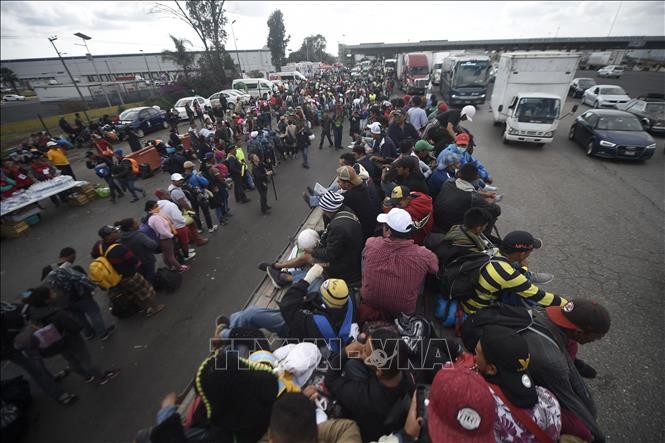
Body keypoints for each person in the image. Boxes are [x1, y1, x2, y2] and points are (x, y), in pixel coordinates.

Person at [462, 299, 611, 442]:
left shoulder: (544, 314)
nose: (595, 341)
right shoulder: (552, 363)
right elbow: (568, 398)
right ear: (579, 332)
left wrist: (577, 366)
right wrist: (596, 434)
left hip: (508, 347)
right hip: (514, 369)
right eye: (596, 338)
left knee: (571, 347)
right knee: (581, 429)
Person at [218, 266, 356, 354]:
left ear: (325, 300)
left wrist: (307, 280)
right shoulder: (347, 297)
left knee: (251, 313)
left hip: (298, 329)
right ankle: (232, 326)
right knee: (311, 278)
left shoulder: (318, 324)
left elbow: (287, 305)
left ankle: (226, 337)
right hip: (314, 318)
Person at [319, 329, 415, 442]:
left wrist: (346, 351)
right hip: (391, 411)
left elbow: (331, 380)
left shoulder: (363, 397)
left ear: (379, 371)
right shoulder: (403, 371)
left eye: (365, 350)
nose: (361, 348)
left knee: (350, 364)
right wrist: (366, 356)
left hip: (368, 428)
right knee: (352, 365)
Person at [474, 325, 562, 442]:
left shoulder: (482, 405)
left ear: (491, 369)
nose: (474, 357)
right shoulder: (550, 400)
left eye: (477, 353)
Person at [20, 286, 120, 386]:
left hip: (53, 342)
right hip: (70, 339)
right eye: (51, 292)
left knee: (71, 360)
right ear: (46, 299)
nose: (54, 292)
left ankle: (87, 376)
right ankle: (101, 376)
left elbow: (25, 295)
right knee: (86, 359)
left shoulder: (32, 313)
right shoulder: (56, 313)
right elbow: (74, 327)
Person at [461, 231, 567, 315]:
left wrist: (524, 269)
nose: (531, 253)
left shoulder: (494, 252)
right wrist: (567, 304)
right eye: (530, 251)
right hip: (476, 312)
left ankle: (527, 277)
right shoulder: (507, 274)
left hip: (469, 300)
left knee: (517, 271)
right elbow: (539, 296)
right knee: (526, 304)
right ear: (522, 255)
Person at [360, 208, 438, 319]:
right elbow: (435, 268)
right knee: (424, 270)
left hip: (370, 300)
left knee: (364, 255)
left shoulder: (371, 243)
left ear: (388, 231)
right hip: (404, 309)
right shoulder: (423, 255)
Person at [1, 301, 78, 406]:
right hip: (8, 347)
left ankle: (51, 380)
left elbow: (16, 307)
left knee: (37, 363)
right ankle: (59, 395)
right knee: (34, 369)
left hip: (20, 336)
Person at [40, 247, 115, 341]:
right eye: (73, 257)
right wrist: (95, 289)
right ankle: (102, 333)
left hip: (64, 301)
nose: (73, 259)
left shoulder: (48, 270)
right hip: (82, 298)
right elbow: (85, 280)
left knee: (79, 317)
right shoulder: (75, 269)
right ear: (69, 256)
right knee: (94, 313)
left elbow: (44, 285)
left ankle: (88, 334)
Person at [91, 226, 165, 317]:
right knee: (145, 291)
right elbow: (133, 260)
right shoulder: (119, 248)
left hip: (116, 277)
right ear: (108, 237)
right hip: (129, 275)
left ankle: (144, 308)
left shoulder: (98, 245)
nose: (117, 233)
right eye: (114, 232)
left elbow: (94, 255)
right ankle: (154, 308)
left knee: (134, 293)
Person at [309, 191, 364, 286]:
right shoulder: (347, 210)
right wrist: (319, 233)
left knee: (308, 258)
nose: (323, 213)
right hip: (354, 256)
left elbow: (330, 254)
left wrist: (312, 251)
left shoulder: (337, 226)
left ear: (329, 210)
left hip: (346, 267)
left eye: (324, 210)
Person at [434, 163, 500, 235]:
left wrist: (484, 194)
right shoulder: (473, 198)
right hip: (449, 229)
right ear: (476, 178)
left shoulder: (449, 182)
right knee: (489, 215)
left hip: (435, 221)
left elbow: (463, 190)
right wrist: (492, 201)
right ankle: (483, 239)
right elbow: (496, 210)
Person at [145, 201, 190, 273]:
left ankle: (170, 267)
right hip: (165, 239)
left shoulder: (155, 216)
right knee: (170, 255)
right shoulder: (155, 218)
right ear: (150, 209)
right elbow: (162, 231)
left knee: (166, 254)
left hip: (164, 239)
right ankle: (179, 268)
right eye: (156, 206)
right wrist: (172, 236)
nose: (158, 207)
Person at [336, 165, 378, 240]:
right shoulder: (363, 187)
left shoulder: (348, 197)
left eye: (339, 180)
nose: (337, 182)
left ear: (347, 184)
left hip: (362, 233)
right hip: (371, 226)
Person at [116, 218, 159, 284]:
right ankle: (151, 288)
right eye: (135, 223)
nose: (138, 224)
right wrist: (154, 240)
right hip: (146, 259)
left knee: (142, 276)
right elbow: (152, 245)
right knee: (150, 274)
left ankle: (145, 287)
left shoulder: (120, 237)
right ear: (131, 228)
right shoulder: (139, 235)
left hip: (134, 262)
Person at [183, 161, 218, 233]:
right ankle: (210, 227)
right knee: (206, 212)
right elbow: (206, 183)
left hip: (191, 198)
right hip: (200, 196)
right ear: (191, 167)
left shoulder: (182, 178)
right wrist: (200, 176)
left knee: (195, 213)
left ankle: (199, 228)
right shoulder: (194, 176)